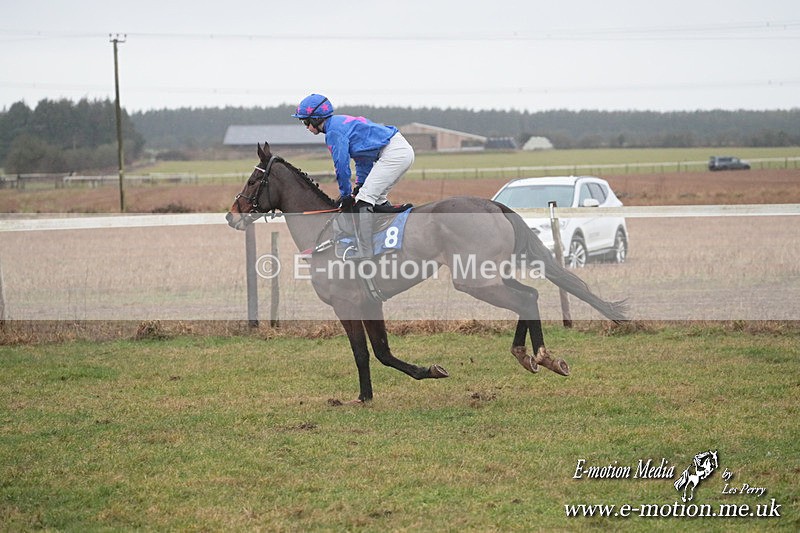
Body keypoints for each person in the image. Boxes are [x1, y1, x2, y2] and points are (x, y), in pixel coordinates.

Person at [292, 93, 414, 260]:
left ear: (316, 118)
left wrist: (345, 194)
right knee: (375, 200)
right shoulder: (339, 124)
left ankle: (365, 252)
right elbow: (363, 159)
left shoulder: (333, 132)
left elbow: (341, 166)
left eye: (306, 121)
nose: (306, 126)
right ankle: (387, 237)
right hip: (397, 150)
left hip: (394, 153)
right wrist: (359, 185)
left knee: (364, 199)